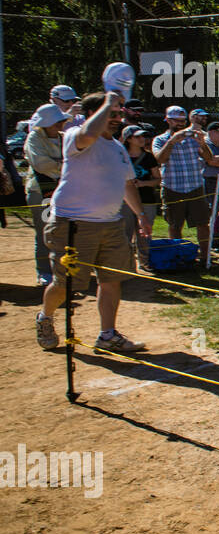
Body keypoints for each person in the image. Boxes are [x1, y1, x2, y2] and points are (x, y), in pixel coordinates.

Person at [35, 91, 149, 353]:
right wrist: (108, 102)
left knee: (111, 280)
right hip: (73, 224)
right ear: (91, 113)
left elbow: (127, 185)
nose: (117, 117)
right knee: (67, 284)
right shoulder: (77, 135)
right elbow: (88, 135)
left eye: (119, 113)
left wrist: (141, 215)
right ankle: (45, 317)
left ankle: (107, 335)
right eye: (111, 113)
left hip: (110, 224)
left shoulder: (118, 148)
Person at [152, 105, 219, 263]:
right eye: (175, 121)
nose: (180, 124)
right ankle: (179, 256)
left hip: (195, 186)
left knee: (203, 223)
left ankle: (204, 257)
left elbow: (209, 158)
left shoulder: (194, 137)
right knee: (175, 224)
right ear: (167, 120)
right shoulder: (160, 139)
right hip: (172, 187)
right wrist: (172, 141)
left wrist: (202, 143)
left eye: (182, 120)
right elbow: (159, 159)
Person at [24, 103, 71, 285]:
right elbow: (41, 164)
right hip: (40, 191)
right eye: (56, 122)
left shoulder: (64, 138)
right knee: (45, 232)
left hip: (64, 191)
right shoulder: (34, 138)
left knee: (66, 231)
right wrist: (63, 165)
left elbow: (76, 158)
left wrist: (60, 165)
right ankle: (44, 271)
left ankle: (64, 268)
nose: (60, 125)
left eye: (61, 121)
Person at [121, 125, 161, 270]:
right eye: (137, 137)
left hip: (147, 199)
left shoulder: (149, 156)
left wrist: (143, 183)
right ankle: (126, 264)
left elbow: (158, 179)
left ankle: (144, 262)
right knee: (124, 233)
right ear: (129, 139)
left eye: (143, 136)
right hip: (124, 201)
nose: (142, 139)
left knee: (145, 233)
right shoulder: (119, 156)